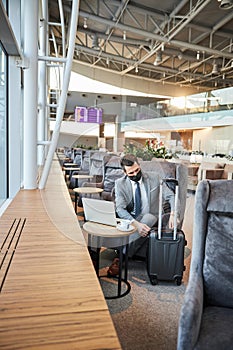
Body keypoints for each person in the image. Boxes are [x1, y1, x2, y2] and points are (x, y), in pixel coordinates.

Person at [107, 154, 177, 275]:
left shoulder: (154, 177)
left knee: (148, 218)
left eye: (137, 170)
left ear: (139, 165)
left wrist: (173, 213)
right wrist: (136, 224)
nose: (135, 174)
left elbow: (171, 195)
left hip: (151, 215)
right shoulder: (120, 183)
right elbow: (120, 208)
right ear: (125, 173)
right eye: (131, 173)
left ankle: (122, 257)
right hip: (131, 218)